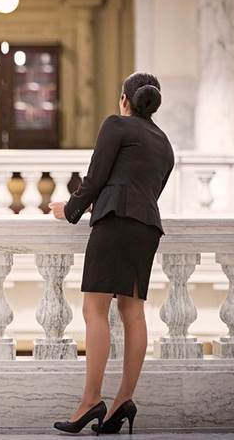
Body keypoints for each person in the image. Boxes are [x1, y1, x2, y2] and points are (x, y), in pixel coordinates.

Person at [48, 71, 174, 435]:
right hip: (147, 227)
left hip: (116, 224)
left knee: (94, 309)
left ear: (125, 100)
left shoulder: (116, 125)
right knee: (133, 311)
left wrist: (70, 209)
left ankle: (90, 402)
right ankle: (122, 401)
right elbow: (142, 189)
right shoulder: (165, 144)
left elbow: (97, 177)